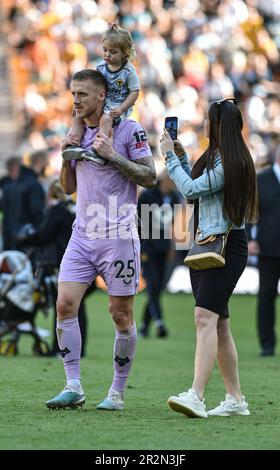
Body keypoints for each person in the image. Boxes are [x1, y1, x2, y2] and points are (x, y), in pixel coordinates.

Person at [45, 68, 156, 410]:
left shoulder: (129, 130)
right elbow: (68, 187)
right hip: (82, 234)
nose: (75, 100)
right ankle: (73, 385)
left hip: (119, 236)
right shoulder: (76, 130)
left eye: (82, 94)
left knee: (120, 313)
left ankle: (117, 393)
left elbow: (150, 176)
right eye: (73, 93)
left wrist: (113, 156)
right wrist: (66, 156)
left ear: (101, 96)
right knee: (64, 304)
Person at [160, 98, 258, 418]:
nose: (202, 122)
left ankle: (196, 395)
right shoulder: (220, 156)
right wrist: (180, 156)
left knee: (204, 317)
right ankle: (235, 400)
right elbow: (198, 185)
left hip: (224, 246)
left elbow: (189, 189)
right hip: (211, 244)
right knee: (219, 325)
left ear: (217, 125)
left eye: (207, 118)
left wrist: (167, 159)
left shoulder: (228, 161)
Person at [19, 179, 89, 357]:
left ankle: (61, 347)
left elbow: (45, 235)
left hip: (63, 261)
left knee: (64, 306)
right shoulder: (75, 209)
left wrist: (25, 239)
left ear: (50, 193)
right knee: (78, 306)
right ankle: (78, 348)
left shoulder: (56, 210)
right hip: (83, 260)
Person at [62, 21, 140, 164]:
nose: (107, 54)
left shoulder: (128, 72)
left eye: (113, 52)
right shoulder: (101, 67)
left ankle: (99, 149)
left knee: (105, 118)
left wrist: (122, 108)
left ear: (125, 53)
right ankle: (74, 143)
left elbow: (135, 92)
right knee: (77, 112)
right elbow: (94, 85)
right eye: (105, 50)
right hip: (103, 100)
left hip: (117, 104)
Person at [138, 170, 180, 338]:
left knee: (157, 288)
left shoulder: (175, 198)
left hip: (163, 249)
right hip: (147, 248)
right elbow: (138, 221)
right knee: (152, 284)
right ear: (165, 180)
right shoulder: (148, 196)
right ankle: (159, 322)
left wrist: (171, 247)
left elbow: (172, 225)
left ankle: (144, 327)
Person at [247, 142, 280, 357]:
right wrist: (250, 237)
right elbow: (250, 210)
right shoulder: (262, 179)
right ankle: (267, 343)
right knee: (266, 296)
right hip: (268, 248)